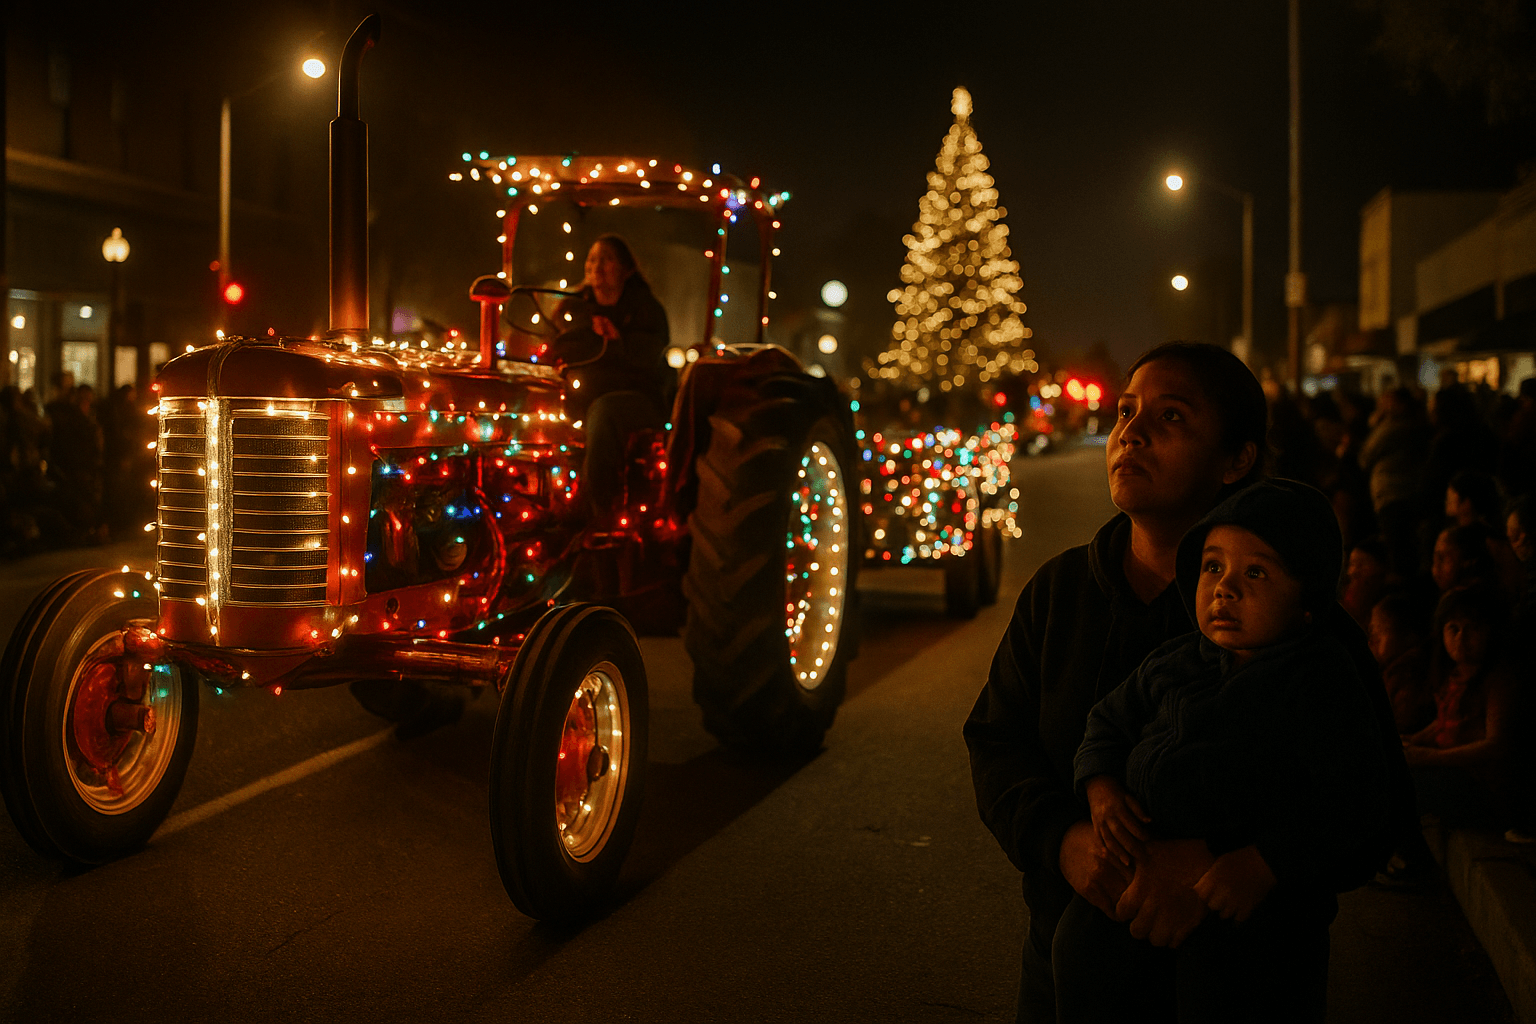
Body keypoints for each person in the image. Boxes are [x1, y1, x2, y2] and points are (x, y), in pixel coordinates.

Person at [963, 341, 1410, 1023]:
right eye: (1126, 411)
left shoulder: (1301, 628)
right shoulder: (1060, 593)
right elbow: (999, 742)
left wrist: (1223, 865)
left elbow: (1371, 809)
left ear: (1237, 459)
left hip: (1250, 977)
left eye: (1170, 416)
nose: (1132, 433)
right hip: (1072, 964)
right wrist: (1066, 842)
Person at [1058, 480, 1391, 1021]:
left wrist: (1262, 862)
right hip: (1137, 888)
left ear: (1307, 602)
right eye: (1213, 566)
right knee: (1082, 960)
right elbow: (1106, 723)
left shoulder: (1319, 681)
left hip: (1252, 921)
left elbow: (1354, 802)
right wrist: (1101, 789)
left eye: (1255, 573)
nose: (1225, 589)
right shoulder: (1174, 661)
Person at [550, 234, 671, 517]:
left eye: (606, 259)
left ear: (626, 269)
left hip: (637, 397)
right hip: (580, 393)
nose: (596, 266)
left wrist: (618, 342)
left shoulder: (646, 310)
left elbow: (648, 358)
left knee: (603, 412)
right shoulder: (573, 309)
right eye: (592, 259)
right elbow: (557, 348)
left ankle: (597, 510)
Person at [1370, 591, 1435, 734]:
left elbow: (1402, 724)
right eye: (1373, 630)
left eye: (1382, 630)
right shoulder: (1388, 670)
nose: (1374, 639)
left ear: (1409, 637)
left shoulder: (1409, 675)